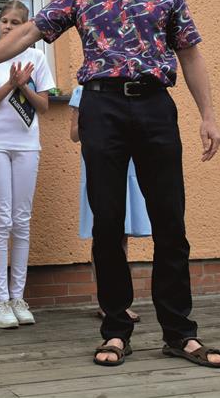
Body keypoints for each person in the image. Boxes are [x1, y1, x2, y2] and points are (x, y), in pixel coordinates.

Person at [0, 0, 220, 368]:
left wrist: (208, 115)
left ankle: (180, 332)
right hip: (102, 106)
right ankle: (116, 330)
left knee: (170, 224)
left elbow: (190, 55)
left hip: (156, 105)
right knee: (107, 222)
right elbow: (29, 33)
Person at [0, 0, 55, 329]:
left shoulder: (36, 58)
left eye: (16, 22)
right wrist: (10, 83)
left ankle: (18, 296)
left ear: (27, 28)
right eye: (4, 21)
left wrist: (25, 85)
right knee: (2, 218)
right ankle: (0, 300)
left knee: (22, 219)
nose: (8, 26)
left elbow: (45, 107)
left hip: (27, 146)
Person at [69, 84, 150, 322]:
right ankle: (107, 302)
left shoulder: (131, 88)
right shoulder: (81, 92)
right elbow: (73, 134)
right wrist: (98, 124)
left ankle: (119, 301)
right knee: (104, 233)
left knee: (122, 234)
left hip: (129, 166)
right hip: (101, 165)